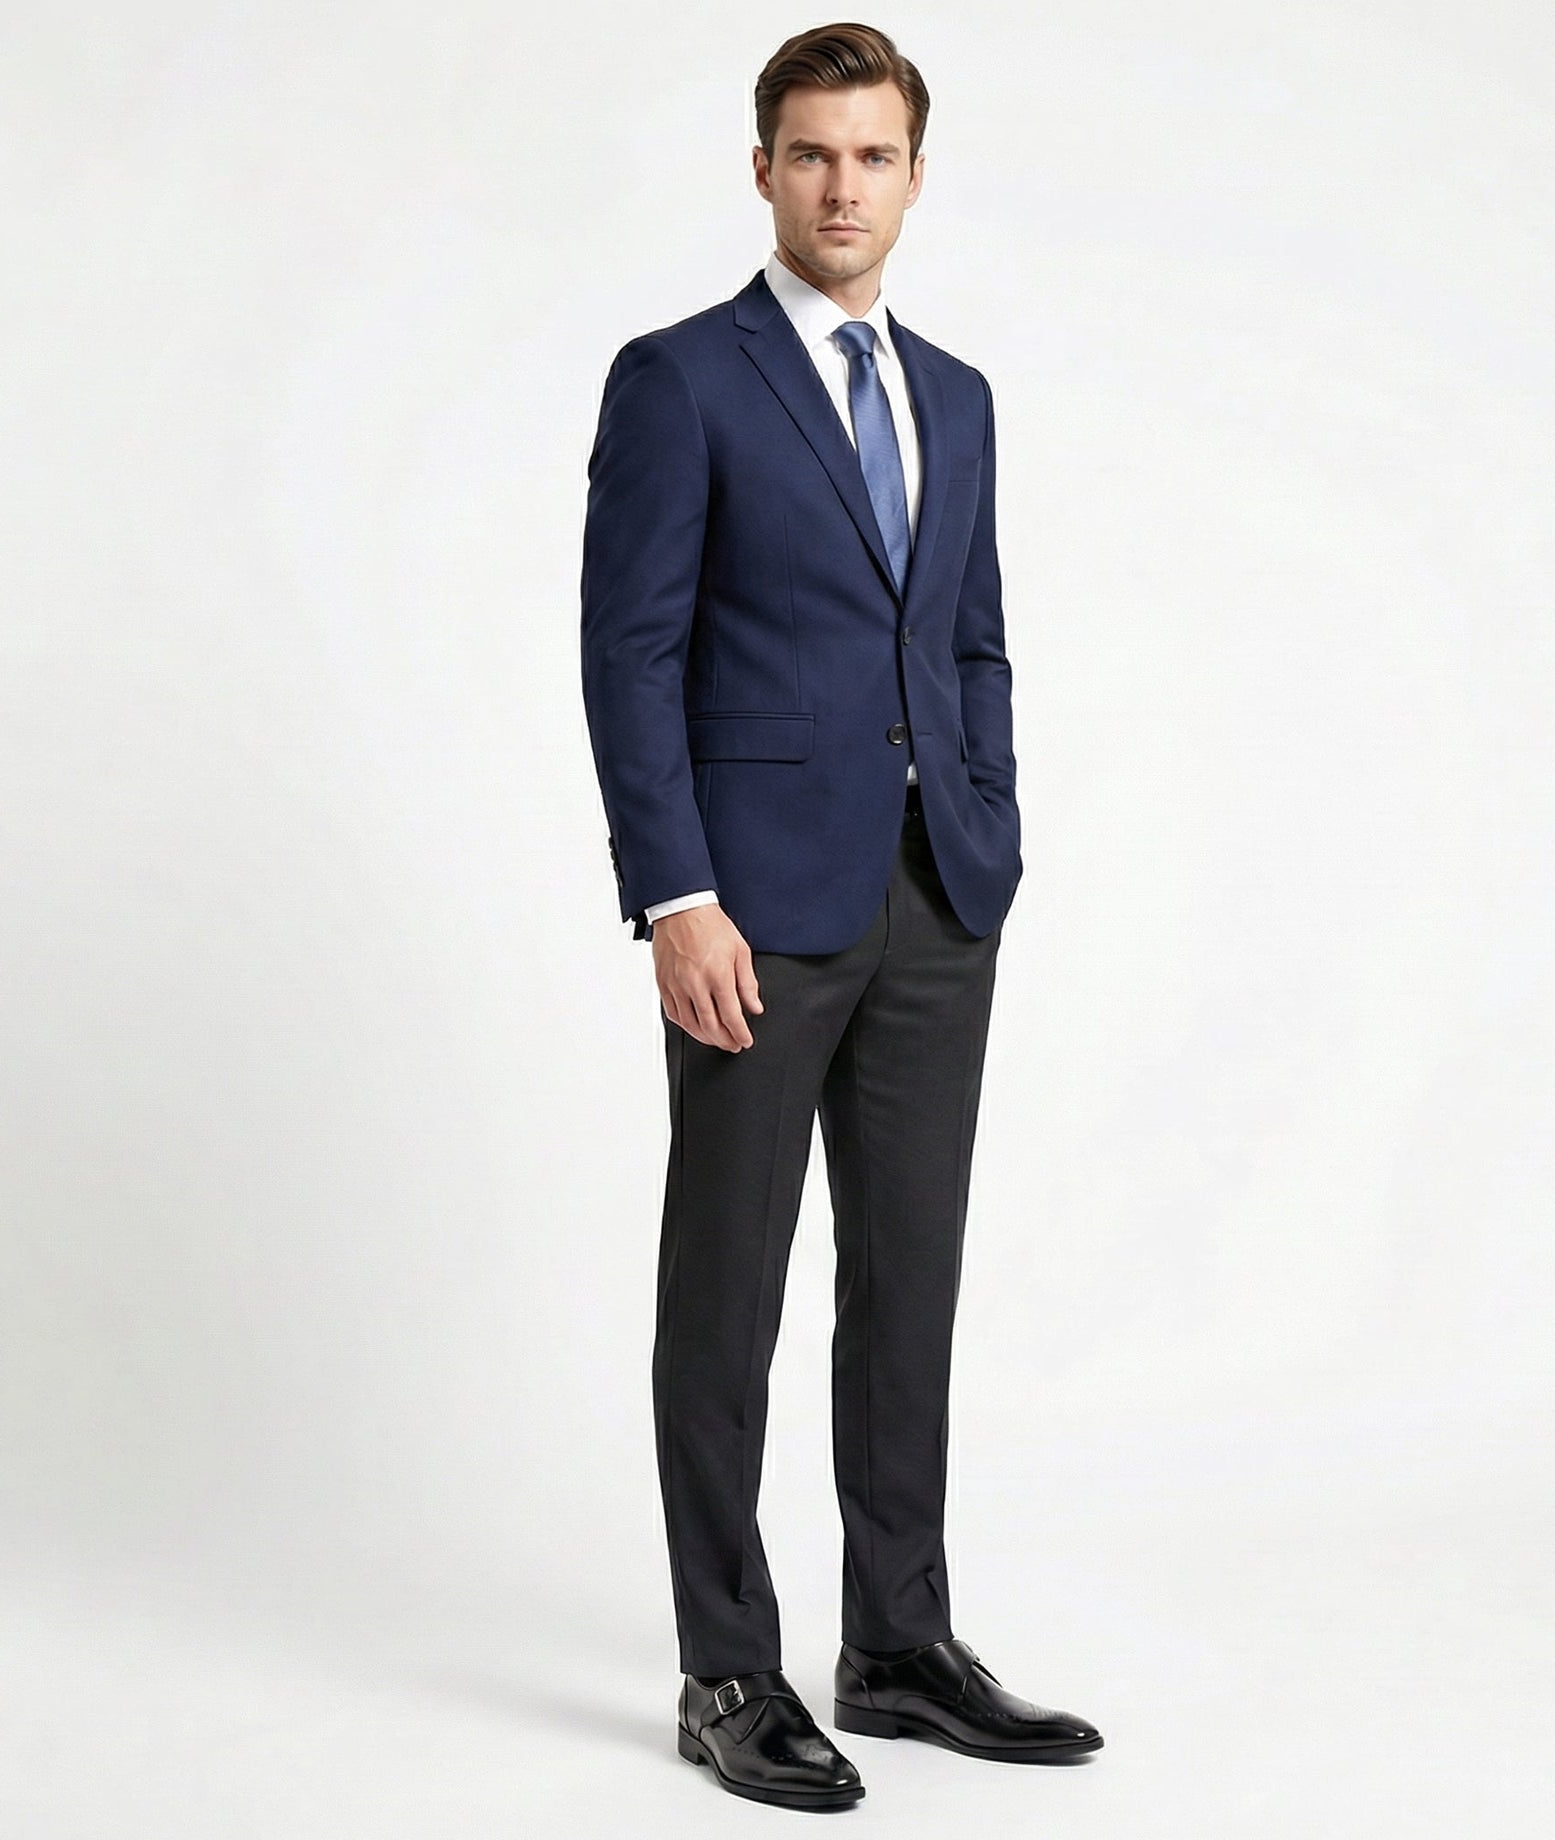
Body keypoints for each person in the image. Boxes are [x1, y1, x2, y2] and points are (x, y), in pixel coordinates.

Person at [579, 22, 1101, 1811]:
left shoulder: (955, 393)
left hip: (934, 895)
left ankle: (895, 1645)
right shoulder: (681, 379)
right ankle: (727, 1668)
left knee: (907, 1285)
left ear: (915, 176)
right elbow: (630, 652)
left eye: (872, 156)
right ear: (762, 171)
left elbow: (971, 638)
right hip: (751, 911)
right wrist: (675, 894)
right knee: (724, 1293)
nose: (840, 186)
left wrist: (988, 825)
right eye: (810, 153)